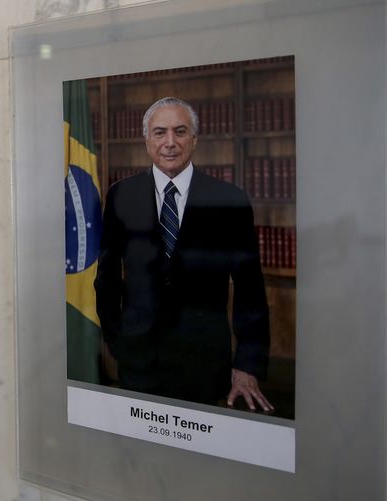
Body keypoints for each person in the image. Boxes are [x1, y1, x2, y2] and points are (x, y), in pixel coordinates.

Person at [94, 97, 272, 411]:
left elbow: (250, 290)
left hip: (204, 362)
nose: (170, 142)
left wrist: (248, 363)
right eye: (160, 132)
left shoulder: (229, 200)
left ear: (194, 139)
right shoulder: (122, 195)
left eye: (180, 131)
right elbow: (107, 277)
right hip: (138, 359)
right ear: (146, 139)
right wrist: (117, 340)